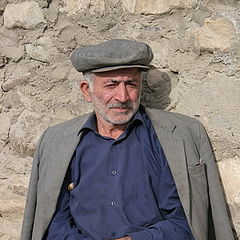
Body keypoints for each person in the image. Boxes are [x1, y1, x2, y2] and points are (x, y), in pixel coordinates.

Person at [21, 39, 234, 240]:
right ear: (87, 91)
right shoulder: (57, 141)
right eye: (111, 85)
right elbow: (53, 223)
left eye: (131, 84)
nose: (123, 97)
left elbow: (186, 221)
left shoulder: (179, 136)